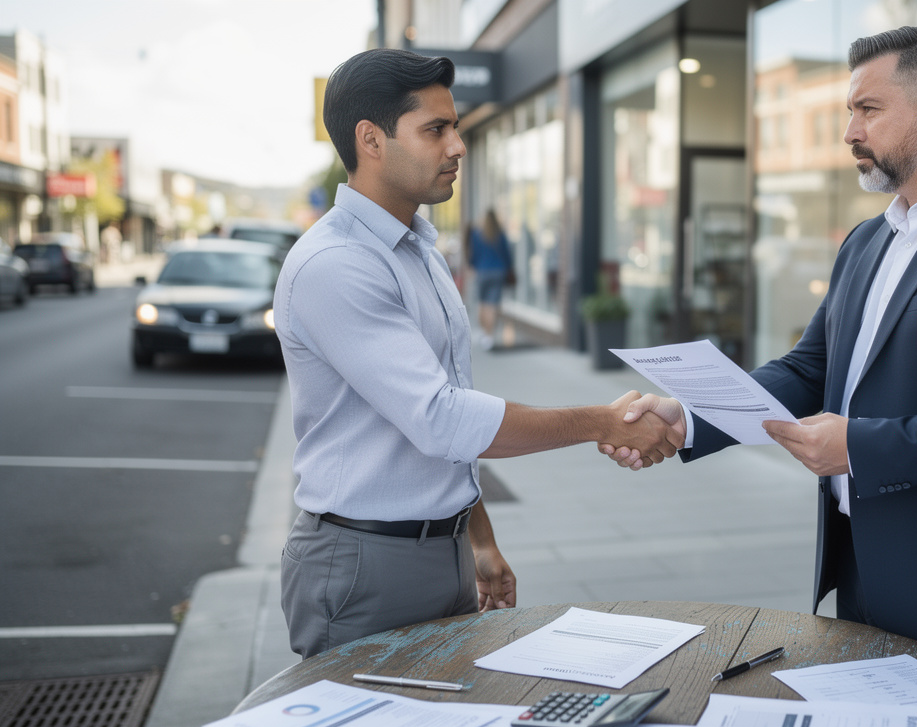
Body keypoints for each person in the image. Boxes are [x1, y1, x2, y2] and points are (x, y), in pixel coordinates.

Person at [605, 27, 917, 711]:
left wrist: (859, 447)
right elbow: (809, 369)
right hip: (865, 573)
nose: (848, 131)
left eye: (867, 110)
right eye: (849, 111)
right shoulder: (867, 239)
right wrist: (687, 418)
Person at [274, 48, 680, 659]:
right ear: (371, 140)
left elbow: (445, 418)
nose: (458, 145)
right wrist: (602, 420)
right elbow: (442, 420)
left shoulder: (420, 253)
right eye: (436, 129)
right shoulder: (338, 264)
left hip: (444, 551)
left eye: (455, 126)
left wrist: (477, 538)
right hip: (364, 564)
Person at [467, 209, 510, 349]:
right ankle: (490, 336)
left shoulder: (477, 234)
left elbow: (473, 255)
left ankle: (484, 333)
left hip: (482, 272)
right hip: (498, 272)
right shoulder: (500, 234)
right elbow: (506, 254)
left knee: (482, 304)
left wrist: (473, 266)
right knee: (492, 305)